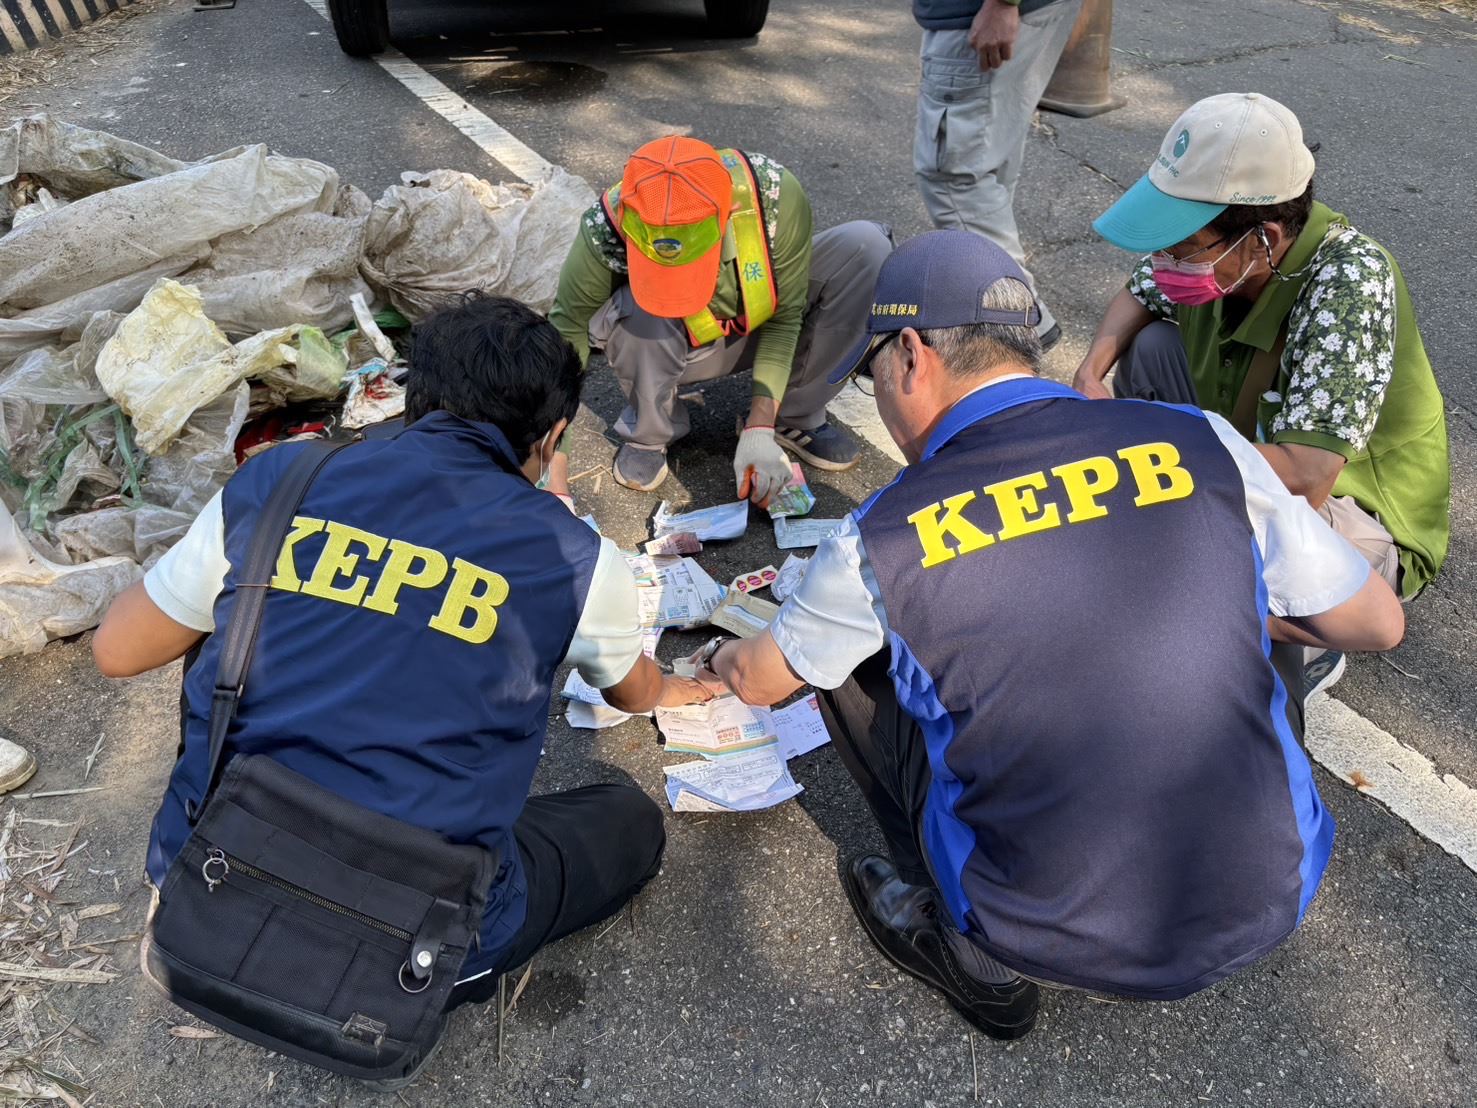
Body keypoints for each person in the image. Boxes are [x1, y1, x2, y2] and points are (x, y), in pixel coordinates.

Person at [684, 230, 1404, 1039]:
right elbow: (1375, 621)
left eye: (871, 371)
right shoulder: (1199, 439)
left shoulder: (881, 536)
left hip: (1037, 930)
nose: (878, 392)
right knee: (1254, 574)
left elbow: (763, 678)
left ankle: (972, 953)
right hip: (1272, 895)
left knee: (848, 655)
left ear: (911, 355)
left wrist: (717, 657)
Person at [93, 294, 711, 1015]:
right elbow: (631, 692)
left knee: (221, 614)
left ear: (410, 401)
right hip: (418, 945)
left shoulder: (283, 479)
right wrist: (674, 687)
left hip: (207, 879)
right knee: (628, 819)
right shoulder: (575, 557)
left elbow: (118, 650)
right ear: (553, 438)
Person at [1073, 93, 1449, 653]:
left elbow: (1309, 475)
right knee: (1151, 345)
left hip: (1355, 510)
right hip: (1256, 441)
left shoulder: (1349, 283)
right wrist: (1089, 374)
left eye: (1181, 247)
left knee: (1199, 576)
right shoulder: (1229, 257)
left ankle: (1301, 649)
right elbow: (1140, 291)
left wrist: (1153, 460)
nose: (1163, 261)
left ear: (1264, 238)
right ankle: (1192, 534)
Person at [547, 135, 892, 498]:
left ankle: (793, 414)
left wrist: (760, 426)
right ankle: (650, 432)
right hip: (674, 346)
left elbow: (786, 317)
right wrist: (554, 477)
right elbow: (565, 337)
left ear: (726, 215)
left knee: (866, 248)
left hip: (757, 319)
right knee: (634, 310)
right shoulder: (606, 225)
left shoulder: (772, 196)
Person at [911, 0, 1083, 347]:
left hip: (985, 13)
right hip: (1024, 10)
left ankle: (1017, 324)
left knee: (955, 178)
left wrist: (1002, 3)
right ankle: (986, 305)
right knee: (989, 158)